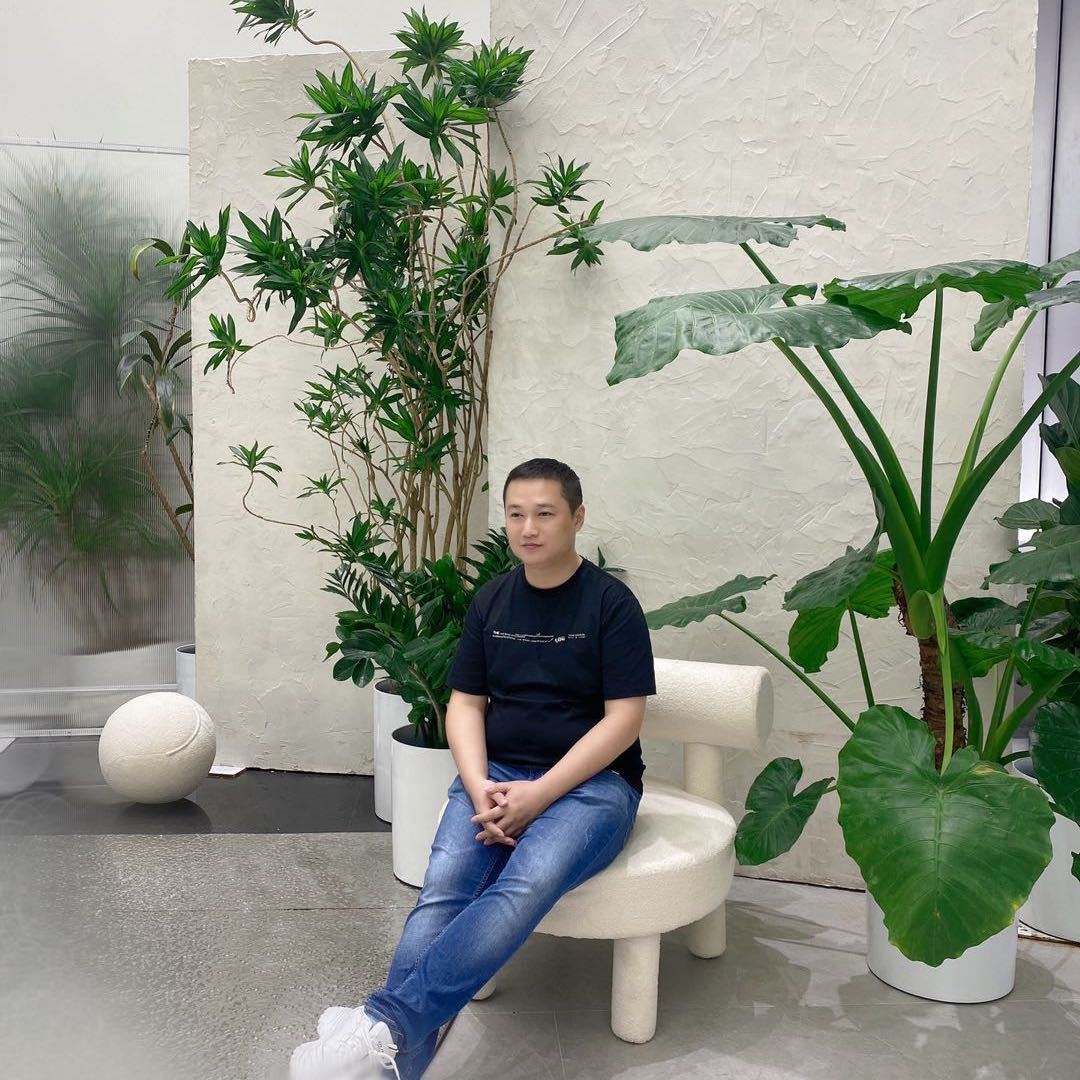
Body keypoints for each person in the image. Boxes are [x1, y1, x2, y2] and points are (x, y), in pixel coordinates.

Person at [289, 457, 656, 1080]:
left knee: (524, 886)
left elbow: (624, 721)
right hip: (496, 772)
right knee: (443, 892)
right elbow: (465, 704)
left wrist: (539, 795)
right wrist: (479, 782)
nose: (528, 528)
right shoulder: (493, 601)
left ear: (577, 518)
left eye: (545, 513)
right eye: (516, 514)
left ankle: (380, 1024)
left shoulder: (611, 605)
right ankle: (391, 1061)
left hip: (593, 787)